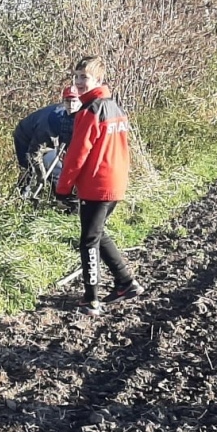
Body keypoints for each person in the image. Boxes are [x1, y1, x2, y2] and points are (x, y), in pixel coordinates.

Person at [55, 55, 142, 314]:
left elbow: (77, 154)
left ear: (98, 80)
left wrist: (62, 187)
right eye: (78, 77)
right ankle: (125, 282)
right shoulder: (115, 108)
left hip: (96, 184)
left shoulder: (90, 111)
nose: (80, 82)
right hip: (115, 182)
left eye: (85, 77)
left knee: (88, 241)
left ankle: (91, 299)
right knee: (98, 232)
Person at [12, 84, 80, 199]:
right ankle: (22, 196)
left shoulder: (79, 116)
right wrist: (41, 175)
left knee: (56, 170)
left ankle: (58, 198)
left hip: (51, 142)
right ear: (63, 101)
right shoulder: (48, 124)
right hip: (25, 136)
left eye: (74, 101)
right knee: (29, 168)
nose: (71, 105)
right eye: (68, 101)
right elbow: (34, 153)